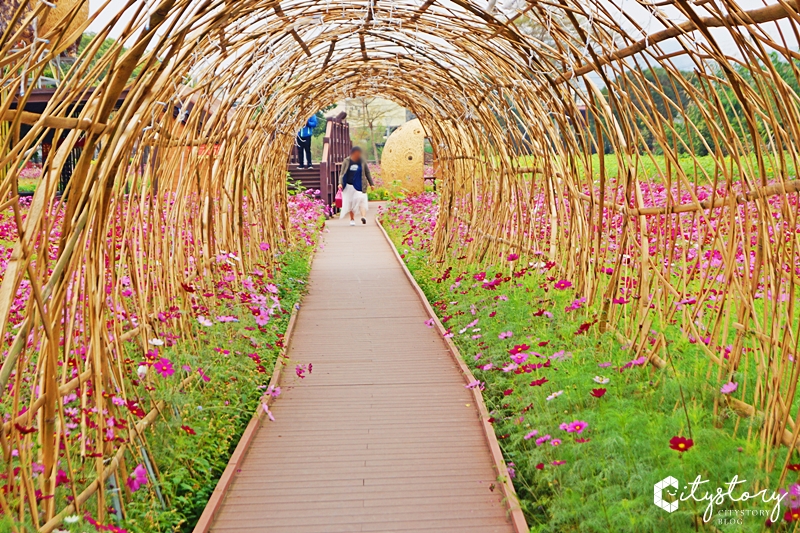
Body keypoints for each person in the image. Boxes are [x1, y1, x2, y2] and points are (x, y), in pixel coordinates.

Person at [338, 146, 374, 226]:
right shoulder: (346, 161)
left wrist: (372, 184)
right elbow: (342, 173)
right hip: (349, 185)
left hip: (360, 185)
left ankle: (363, 217)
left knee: (361, 200)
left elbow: (367, 173)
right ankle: (352, 219)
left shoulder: (362, 161)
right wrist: (340, 183)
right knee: (351, 202)